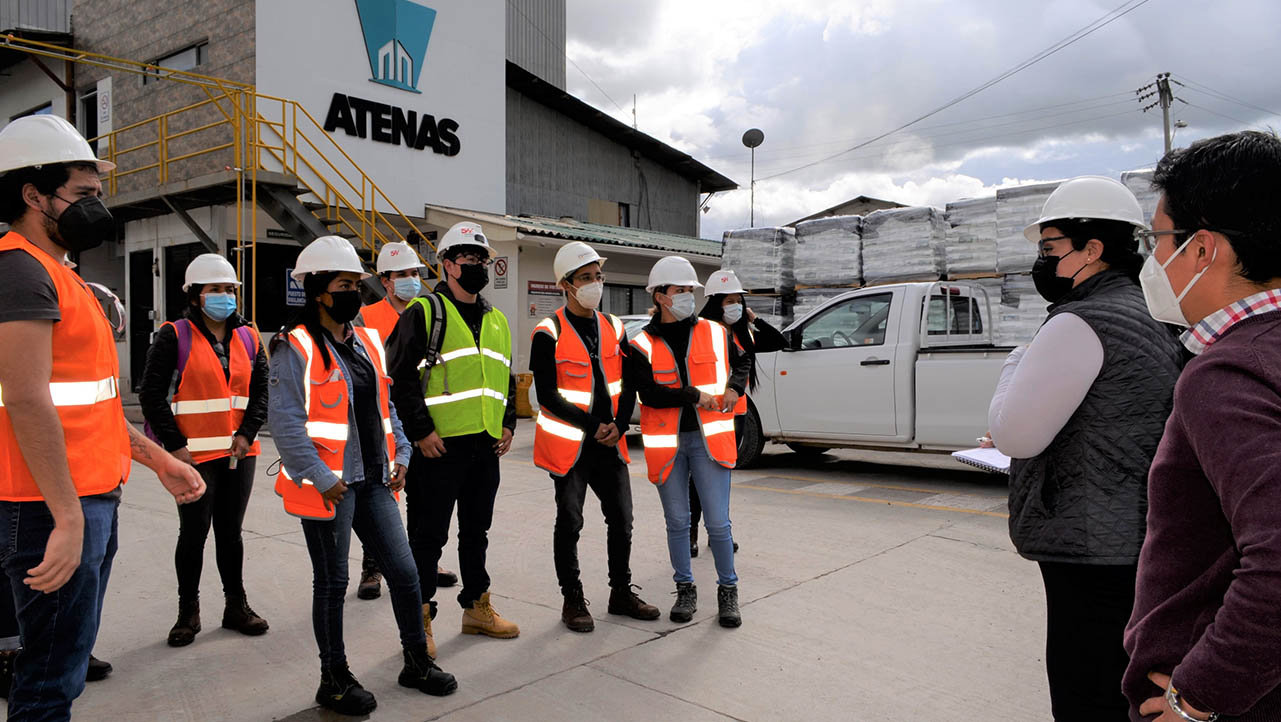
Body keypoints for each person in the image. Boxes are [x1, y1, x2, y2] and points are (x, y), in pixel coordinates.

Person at [0, 114, 205, 721]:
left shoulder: (61, 274)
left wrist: (158, 459)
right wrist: (67, 518)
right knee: (47, 681)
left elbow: (93, 403)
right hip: (49, 507)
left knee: (64, 665)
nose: (96, 206)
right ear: (34, 195)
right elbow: (27, 399)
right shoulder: (20, 271)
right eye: (83, 193)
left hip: (88, 495)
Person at [986, 175, 1184, 720]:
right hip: (1139, 532)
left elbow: (1015, 435)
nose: (1043, 262)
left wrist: (1016, 362)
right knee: (1122, 685)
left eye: (1050, 248)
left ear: (1092, 249)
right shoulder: (1151, 311)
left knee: (1085, 692)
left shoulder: (1081, 321)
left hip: (1089, 542)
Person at [1123, 131, 1281, 722]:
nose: (1154, 261)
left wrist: (1200, 695)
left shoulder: (1229, 372)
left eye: (1159, 240)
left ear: (1203, 248)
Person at [267, 236, 455, 715]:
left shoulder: (366, 339)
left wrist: (403, 452)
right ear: (317, 291)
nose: (354, 292)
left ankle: (416, 662)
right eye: (345, 285)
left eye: (357, 284)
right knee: (333, 583)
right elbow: (285, 423)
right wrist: (320, 476)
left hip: (374, 479)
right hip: (331, 487)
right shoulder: (294, 345)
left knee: (406, 573)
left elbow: (386, 406)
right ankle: (333, 678)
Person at [387, 222, 519, 655]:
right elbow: (400, 378)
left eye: (482, 259)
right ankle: (419, 619)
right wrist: (421, 432)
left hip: (484, 445)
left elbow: (504, 376)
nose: (477, 266)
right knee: (428, 538)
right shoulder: (424, 312)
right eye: (468, 259)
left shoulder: (497, 319)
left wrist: (508, 422)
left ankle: (476, 607)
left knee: (477, 532)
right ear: (447, 264)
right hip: (438, 448)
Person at [139, 253, 270, 647]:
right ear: (195, 295)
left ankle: (236, 607)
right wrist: (174, 447)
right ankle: (188, 613)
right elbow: (151, 395)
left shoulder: (249, 337)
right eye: (215, 289)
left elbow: (260, 392)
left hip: (238, 453)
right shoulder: (173, 335)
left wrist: (247, 433)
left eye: (230, 289)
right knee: (193, 533)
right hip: (192, 457)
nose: (225, 296)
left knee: (231, 534)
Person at [530, 241, 659, 633]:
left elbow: (628, 383)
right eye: (585, 277)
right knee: (570, 521)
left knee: (622, 519)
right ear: (565, 285)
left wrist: (619, 424)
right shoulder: (548, 332)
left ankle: (620, 592)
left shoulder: (614, 327)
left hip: (611, 443)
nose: (594, 284)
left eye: (598, 276)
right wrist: (592, 426)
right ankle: (572, 598)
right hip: (572, 447)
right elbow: (547, 395)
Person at [627, 255, 750, 628]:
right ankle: (685, 588)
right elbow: (649, 394)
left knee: (718, 523)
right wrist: (693, 395)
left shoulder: (715, 331)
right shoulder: (641, 344)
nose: (687, 296)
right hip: (668, 444)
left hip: (709, 441)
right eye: (680, 290)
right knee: (678, 522)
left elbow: (742, 362)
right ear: (661, 296)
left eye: (689, 290)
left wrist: (734, 388)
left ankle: (728, 591)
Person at [354, 241, 458, 601]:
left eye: (415, 273)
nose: (411, 279)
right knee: (379, 496)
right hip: (382, 419)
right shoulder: (366, 317)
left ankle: (424, 562)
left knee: (424, 498)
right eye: (402, 274)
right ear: (385, 280)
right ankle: (372, 567)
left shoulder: (430, 313)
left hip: (422, 418)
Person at [688, 269, 788, 557]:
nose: (735, 306)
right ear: (715, 304)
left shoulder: (745, 334)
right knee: (698, 477)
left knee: (722, 475)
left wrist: (753, 318)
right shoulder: (700, 333)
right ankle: (691, 532)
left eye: (739, 301)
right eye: (729, 301)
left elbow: (778, 341)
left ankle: (718, 532)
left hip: (736, 413)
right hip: (707, 412)